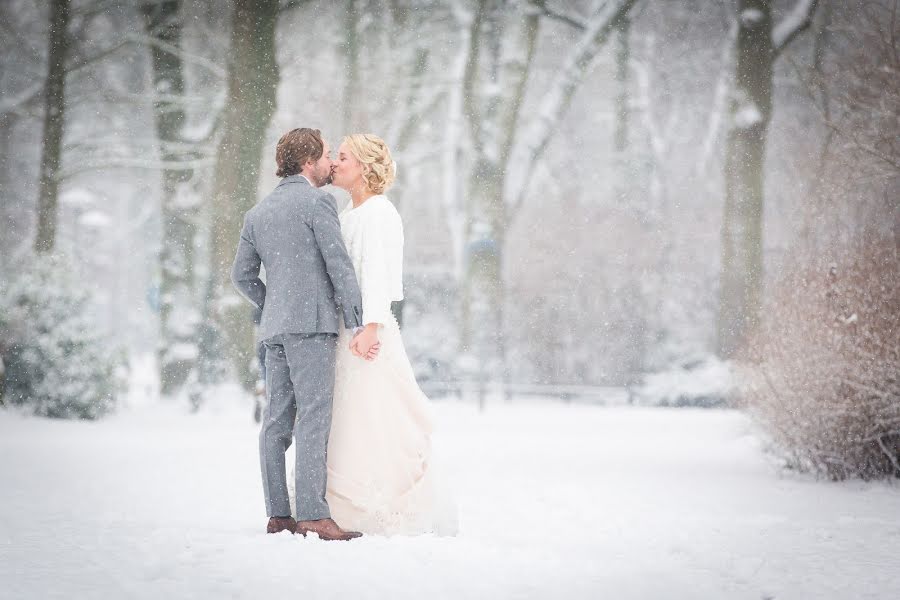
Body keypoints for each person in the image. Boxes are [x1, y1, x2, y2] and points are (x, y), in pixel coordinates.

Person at [231, 128, 379, 541]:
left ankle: (279, 514)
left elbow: (240, 276)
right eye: (327, 154)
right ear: (308, 161)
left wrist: (272, 302)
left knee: (275, 421)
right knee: (313, 419)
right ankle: (313, 514)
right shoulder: (319, 202)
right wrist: (356, 320)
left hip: (274, 330)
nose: (331, 161)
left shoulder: (257, 213)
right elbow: (338, 264)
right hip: (312, 327)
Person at [326, 133, 457, 536]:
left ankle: (376, 507)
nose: (334, 162)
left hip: (368, 333)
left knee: (376, 418)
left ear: (364, 167)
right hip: (346, 330)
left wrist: (371, 327)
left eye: (343, 156)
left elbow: (378, 276)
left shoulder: (379, 213)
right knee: (350, 420)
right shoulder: (349, 212)